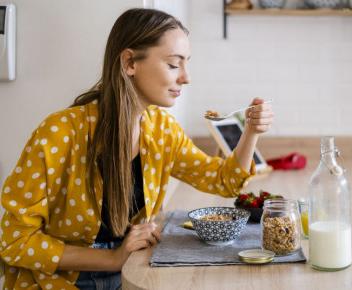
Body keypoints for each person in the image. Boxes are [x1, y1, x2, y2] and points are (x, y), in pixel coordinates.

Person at [0, 8, 274, 290]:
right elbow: (16, 240)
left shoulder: (162, 131)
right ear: (130, 62)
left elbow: (223, 181)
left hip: (132, 272)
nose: (185, 77)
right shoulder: (59, 133)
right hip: (58, 281)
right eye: (173, 64)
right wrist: (112, 258)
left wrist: (251, 132)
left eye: (186, 64)